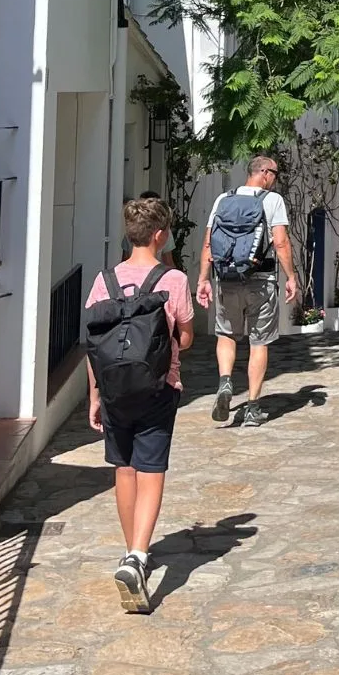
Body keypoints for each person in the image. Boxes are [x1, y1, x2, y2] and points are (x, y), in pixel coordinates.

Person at [86, 195, 194, 613]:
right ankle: (138, 556)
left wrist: (95, 395)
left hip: (114, 393)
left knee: (124, 470)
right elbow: (184, 336)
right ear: (160, 235)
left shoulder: (104, 281)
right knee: (151, 470)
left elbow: (95, 345)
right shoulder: (173, 281)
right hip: (158, 389)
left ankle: (131, 549)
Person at [197, 153, 298, 429]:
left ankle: (226, 381)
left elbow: (208, 244)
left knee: (226, 334)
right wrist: (291, 277)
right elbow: (281, 243)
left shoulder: (223, 199)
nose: (275, 181)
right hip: (261, 279)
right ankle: (252, 407)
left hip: (226, 278)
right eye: (275, 175)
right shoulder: (272, 201)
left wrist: (203, 280)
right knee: (258, 342)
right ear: (264, 173)